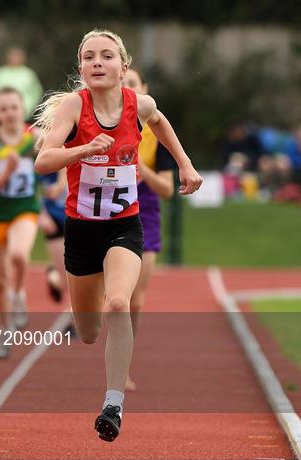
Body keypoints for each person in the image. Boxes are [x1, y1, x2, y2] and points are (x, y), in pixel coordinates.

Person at [34, 29, 202, 442]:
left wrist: (185, 164)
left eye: (106, 56)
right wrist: (83, 150)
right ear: (80, 69)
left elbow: (160, 123)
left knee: (118, 301)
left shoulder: (138, 105)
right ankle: (95, 341)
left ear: (123, 67)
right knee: (89, 332)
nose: (97, 62)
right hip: (81, 229)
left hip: (124, 225)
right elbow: (43, 161)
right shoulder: (75, 106)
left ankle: (113, 403)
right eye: (88, 56)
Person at [121, 68, 176, 391]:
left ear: (144, 90)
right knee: (114, 298)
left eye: (133, 85)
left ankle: (122, 364)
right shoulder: (103, 123)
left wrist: (141, 167)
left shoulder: (157, 134)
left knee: (134, 301)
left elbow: (168, 190)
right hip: (108, 212)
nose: (126, 89)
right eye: (123, 84)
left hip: (146, 214)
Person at [0, 87, 40, 358]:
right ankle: (5, 329)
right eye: (3, 109)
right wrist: (7, 171)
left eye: (13, 107)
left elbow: (57, 161)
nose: (9, 113)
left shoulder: (34, 137)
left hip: (25, 208)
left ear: (22, 108)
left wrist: (58, 185)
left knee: (18, 254)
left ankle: (19, 296)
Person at [37, 168, 68, 302]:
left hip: (81, 217)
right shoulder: (42, 158)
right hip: (55, 219)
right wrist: (41, 215)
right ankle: (74, 316)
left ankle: (53, 276)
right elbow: (32, 190)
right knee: (67, 274)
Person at [0, 47, 44, 121]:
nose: (14, 59)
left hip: (24, 114)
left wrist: (29, 107)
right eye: (12, 56)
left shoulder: (28, 73)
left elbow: (36, 92)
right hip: (1, 114)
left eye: (17, 56)